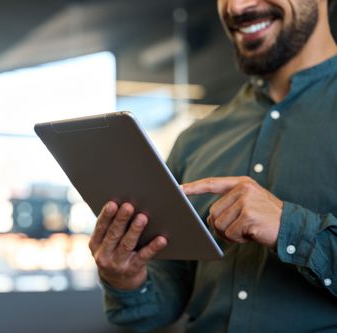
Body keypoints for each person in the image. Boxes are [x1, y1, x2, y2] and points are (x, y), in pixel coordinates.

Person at [89, 0, 337, 332]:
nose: (237, 6)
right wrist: (126, 278)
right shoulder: (196, 140)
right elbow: (158, 305)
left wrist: (288, 227)